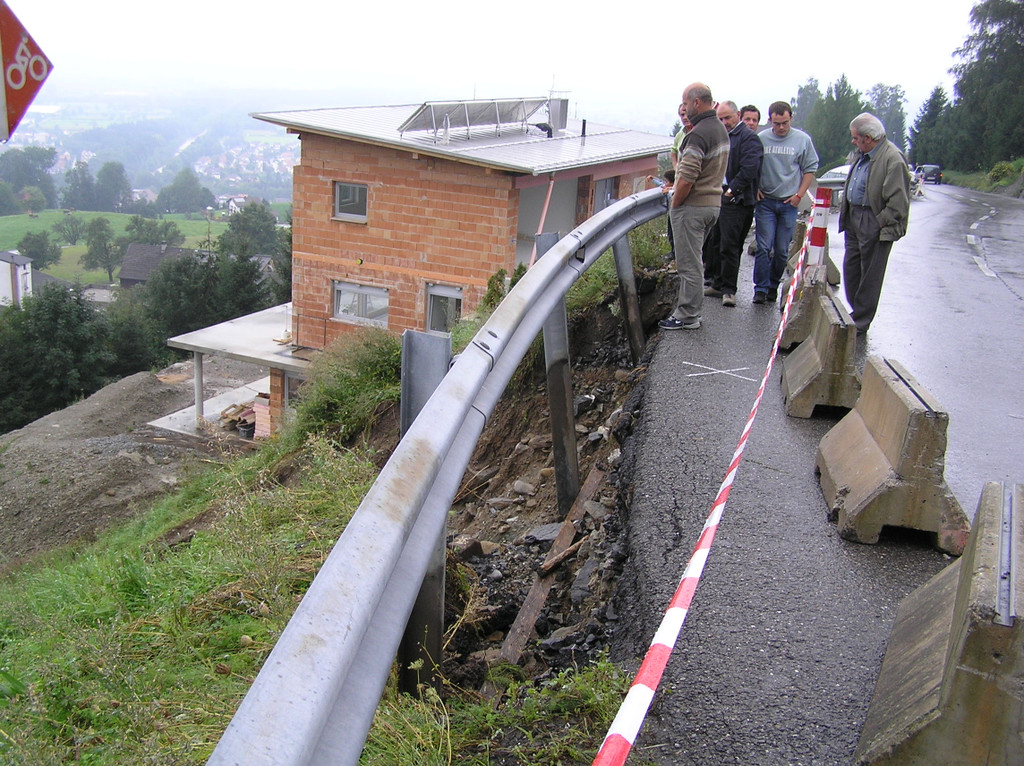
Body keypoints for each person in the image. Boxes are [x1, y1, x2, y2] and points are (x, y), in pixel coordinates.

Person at [659, 82, 730, 331]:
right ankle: (692, 311)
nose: (685, 108)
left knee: (688, 264)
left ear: (697, 102)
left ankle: (688, 315)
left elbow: (687, 177)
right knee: (696, 260)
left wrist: (675, 202)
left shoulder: (698, 135)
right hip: (713, 204)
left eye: (686, 103)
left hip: (693, 207)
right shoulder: (719, 129)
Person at [838, 112, 911, 334]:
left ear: (868, 138)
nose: (853, 141)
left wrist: (878, 223)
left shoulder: (892, 158)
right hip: (854, 217)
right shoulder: (863, 154)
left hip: (874, 219)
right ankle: (855, 312)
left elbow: (898, 203)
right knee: (851, 269)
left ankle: (860, 322)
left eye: (855, 137)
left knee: (870, 274)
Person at [752, 101, 818, 304]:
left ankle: (773, 285)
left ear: (791, 119)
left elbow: (810, 169)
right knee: (763, 247)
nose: (781, 127)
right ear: (770, 120)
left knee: (781, 250)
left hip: (789, 203)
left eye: (785, 123)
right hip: (766, 202)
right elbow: (751, 164)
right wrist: (755, 186)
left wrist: (799, 194)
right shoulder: (761, 139)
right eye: (777, 123)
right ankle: (760, 288)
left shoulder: (802, 140)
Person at [703, 101, 763, 307]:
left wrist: (731, 191)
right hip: (720, 195)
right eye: (720, 119)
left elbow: (750, 169)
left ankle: (729, 289)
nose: (724, 122)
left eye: (727, 118)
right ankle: (717, 283)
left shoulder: (748, 138)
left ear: (737, 115)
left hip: (737, 199)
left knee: (730, 245)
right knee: (716, 241)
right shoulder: (722, 136)